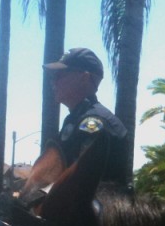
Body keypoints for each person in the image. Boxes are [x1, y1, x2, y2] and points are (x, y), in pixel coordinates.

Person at [43, 47, 128, 185]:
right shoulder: (74, 118)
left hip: (93, 205)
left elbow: (79, 182)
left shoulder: (94, 122)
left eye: (59, 75)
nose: (53, 81)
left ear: (84, 78)